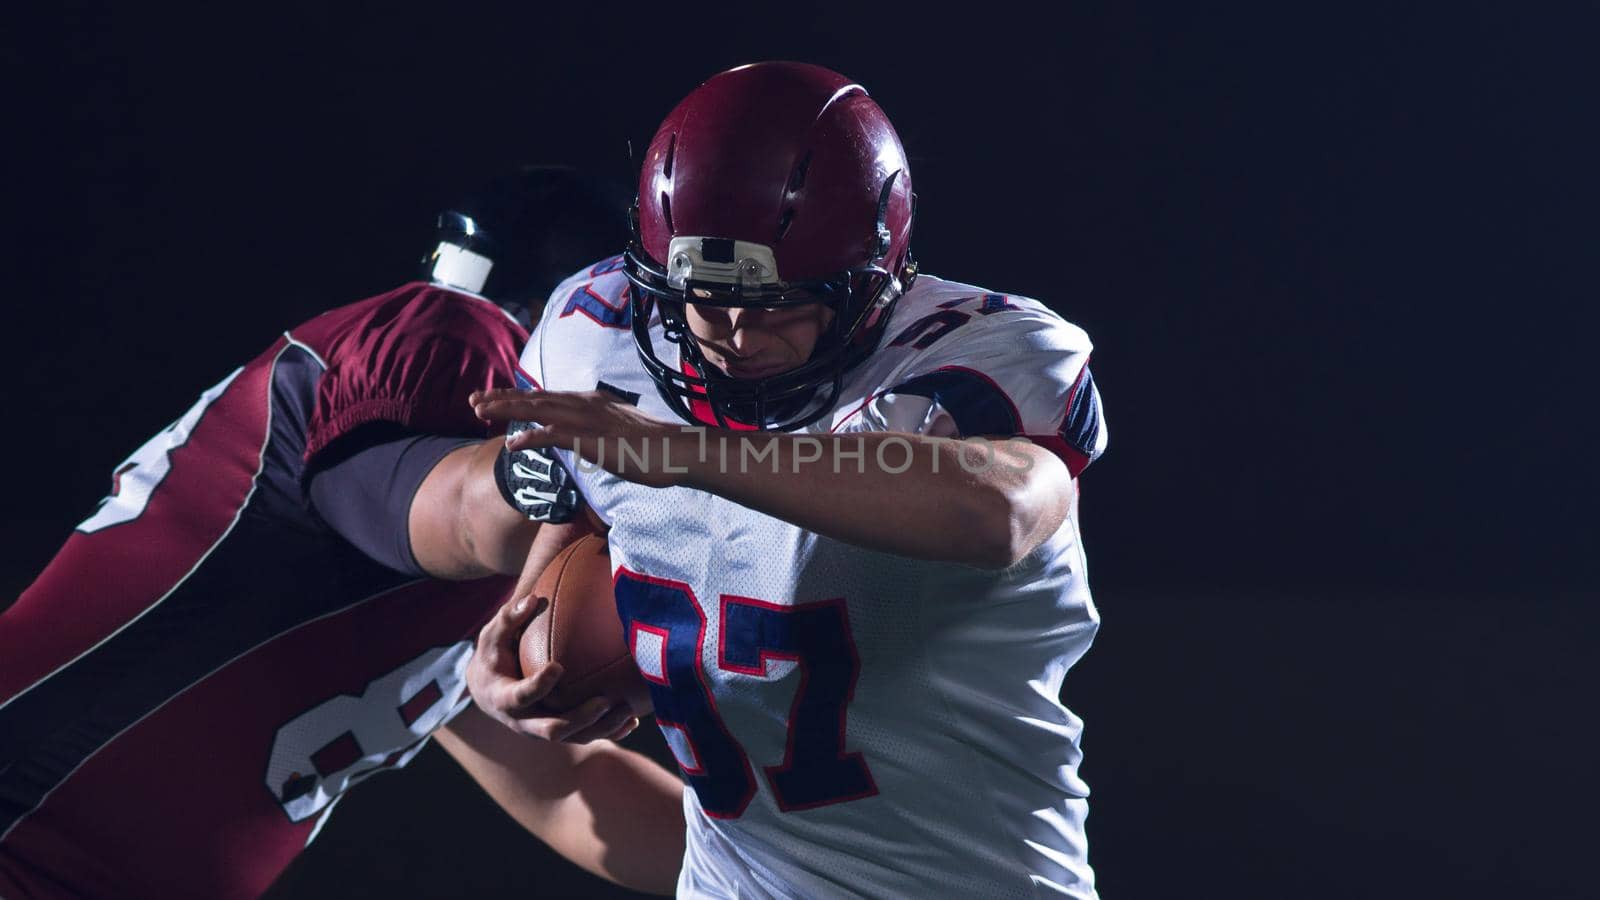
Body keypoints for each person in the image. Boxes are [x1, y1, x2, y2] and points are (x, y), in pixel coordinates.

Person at [469, 64, 1109, 898]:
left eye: (779, 305)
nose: (736, 334)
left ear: (872, 279)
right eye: (704, 299)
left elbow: (1000, 511)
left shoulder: (979, 351)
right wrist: (503, 670)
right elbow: (581, 543)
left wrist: (685, 452)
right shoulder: (601, 337)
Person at [0, 166, 683, 900]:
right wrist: (720, 484)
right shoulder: (449, 336)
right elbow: (462, 507)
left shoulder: (521, 552)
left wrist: (792, 872)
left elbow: (566, 787)